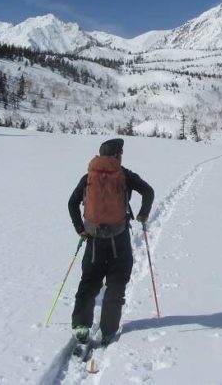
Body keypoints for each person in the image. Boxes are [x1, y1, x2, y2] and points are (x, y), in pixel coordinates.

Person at [67, 138, 154, 345]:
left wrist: (81, 229)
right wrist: (142, 214)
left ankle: (81, 326)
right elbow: (148, 192)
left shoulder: (89, 176)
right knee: (116, 283)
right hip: (119, 239)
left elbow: (72, 203)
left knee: (89, 281)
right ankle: (108, 330)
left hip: (94, 240)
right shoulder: (125, 175)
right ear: (117, 155)